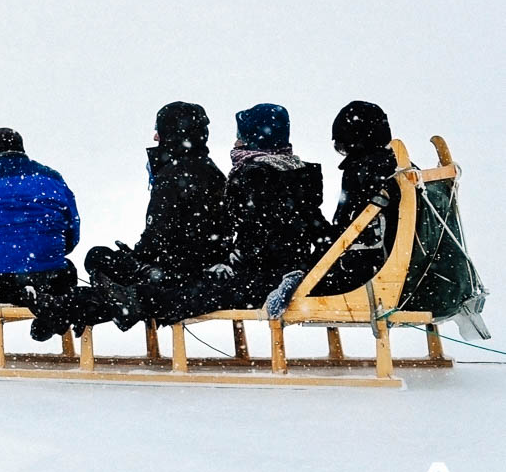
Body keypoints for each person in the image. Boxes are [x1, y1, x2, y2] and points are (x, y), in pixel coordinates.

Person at [30, 101, 228, 339]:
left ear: (172, 132)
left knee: (97, 257)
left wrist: (136, 260)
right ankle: (80, 305)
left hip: (173, 273)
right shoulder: (213, 171)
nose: (155, 136)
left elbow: (160, 235)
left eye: (159, 129)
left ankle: (72, 307)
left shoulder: (173, 175)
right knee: (110, 270)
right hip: (202, 268)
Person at [124, 103, 329, 325]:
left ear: (254, 137)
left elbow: (254, 236)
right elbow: (319, 231)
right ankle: (122, 302)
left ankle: (123, 303)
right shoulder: (296, 174)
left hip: (260, 278)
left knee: (190, 294)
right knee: (189, 289)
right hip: (287, 271)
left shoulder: (254, 176)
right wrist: (308, 266)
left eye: (241, 135)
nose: (236, 142)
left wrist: (231, 265)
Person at [0, 127, 80, 307]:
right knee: (67, 272)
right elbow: (72, 232)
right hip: (49, 281)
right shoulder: (52, 178)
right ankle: (50, 315)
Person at [315, 100, 399, 294]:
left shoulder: (361, 171)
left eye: (341, 146)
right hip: (410, 269)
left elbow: (346, 225)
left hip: (369, 274)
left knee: (298, 283)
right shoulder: (403, 167)